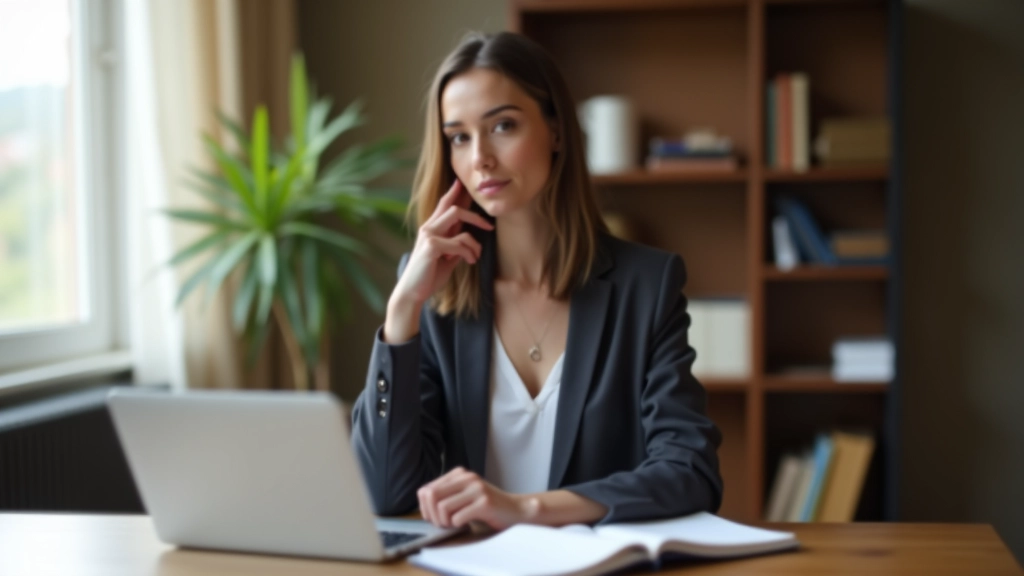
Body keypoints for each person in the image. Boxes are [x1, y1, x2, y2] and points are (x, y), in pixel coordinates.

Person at [351, 31, 722, 531]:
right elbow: (383, 492)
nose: (480, 157)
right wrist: (401, 314)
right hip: (474, 563)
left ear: (557, 131)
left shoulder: (646, 287)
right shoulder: (437, 295)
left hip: (594, 561)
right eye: (459, 137)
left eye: (502, 125)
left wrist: (527, 509)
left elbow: (691, 472)